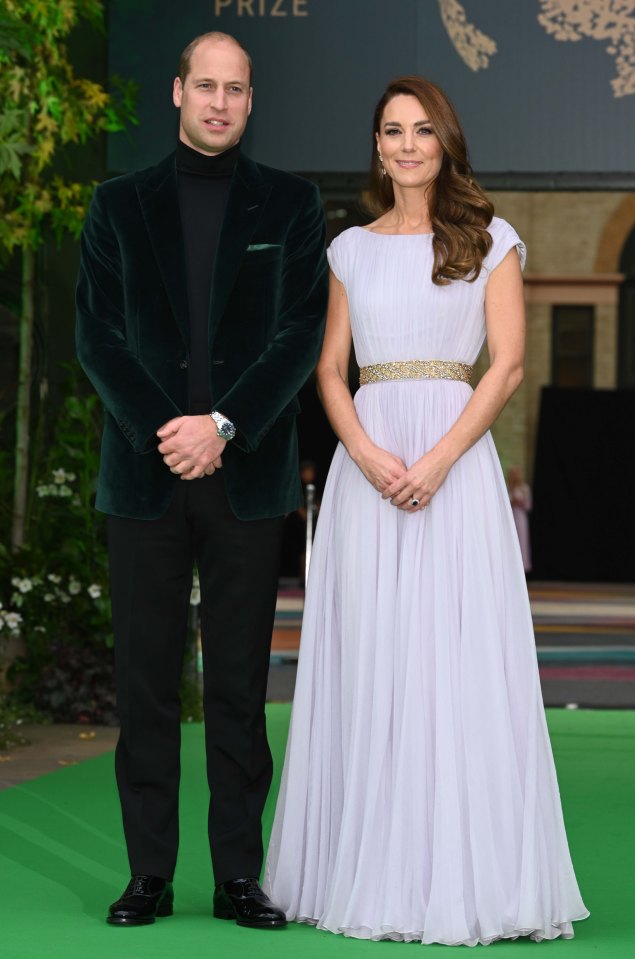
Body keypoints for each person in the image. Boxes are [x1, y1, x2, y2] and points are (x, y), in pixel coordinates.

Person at [264, 76, 588, 945]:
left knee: (454, 661)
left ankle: (461, 878)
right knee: (372, 660)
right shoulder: (349, 252)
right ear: (376, 147)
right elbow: (331, 370)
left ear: (445, 141)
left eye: (421, 130)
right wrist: (366, 456)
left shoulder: (491, 240)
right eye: (390, 131)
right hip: (367, 473)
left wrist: (438, 460)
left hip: (455, 469)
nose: (406, 145)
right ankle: (363, 869)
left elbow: (508, 366)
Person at [75, 32, 327, 928]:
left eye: (236, 89)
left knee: (237, 684)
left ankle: (236, 878)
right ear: (179, 90)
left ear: (250, 102)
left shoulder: (293, 206)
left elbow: (300, 333)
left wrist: (223, 424)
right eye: (205, 85)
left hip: (247, 475)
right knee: (144, 680)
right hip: (144, 477)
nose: (219, 102)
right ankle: (149, 874)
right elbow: (98, 338)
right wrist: (170, 430)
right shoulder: (116, 206)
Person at [508, 464, 533, 572]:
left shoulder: (524, 488)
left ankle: (522, 570)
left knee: (521, 543)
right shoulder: (506, 487)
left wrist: (521, 502)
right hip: (510, 518)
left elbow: (528, 506)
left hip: (521, 518)